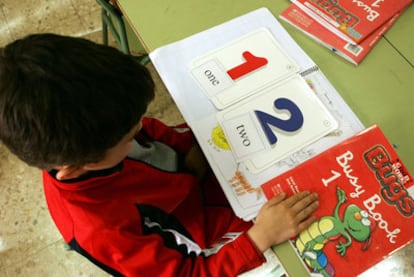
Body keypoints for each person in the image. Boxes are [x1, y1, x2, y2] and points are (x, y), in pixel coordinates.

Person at [0, 34, 319, 276]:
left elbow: (160, 135)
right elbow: (191, 272)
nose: (142, 127)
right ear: (75, 169)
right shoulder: (104, 233)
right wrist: (261, 237)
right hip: (210, 236)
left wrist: (194, 154)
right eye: (131, 136)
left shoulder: (99, 129)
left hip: (205, 180)